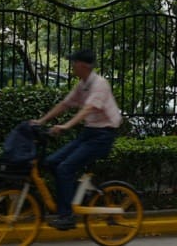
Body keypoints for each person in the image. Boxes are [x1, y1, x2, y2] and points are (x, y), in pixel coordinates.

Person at [32, 48, 123, 230]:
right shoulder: (82, 85)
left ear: (82, 65)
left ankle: (67, 216)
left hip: (103, 136)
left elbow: (87, 109)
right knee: (51, 162)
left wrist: (66, 126)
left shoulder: (99, 84)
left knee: (65, 169)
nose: (72, 66)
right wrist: (41, 121)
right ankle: (77, 196)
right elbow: (65, 104)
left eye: (74, 63)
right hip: (89, 133)